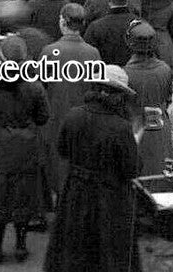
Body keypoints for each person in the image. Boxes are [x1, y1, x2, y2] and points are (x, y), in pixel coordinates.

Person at [43, 64, 139, 272]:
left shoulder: (73, 116)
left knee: (73, 248)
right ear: (119, 95)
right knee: (107, 252)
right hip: (110, 197)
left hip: (75, 192)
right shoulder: (121, 127)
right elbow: (131, 169)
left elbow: (62, 150)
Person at [0, 34, 50, 264]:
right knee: (23, 196)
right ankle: (20, 245)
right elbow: (43, 117)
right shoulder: (35, 87)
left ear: (1, 57)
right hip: (26, 146)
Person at [41, 3, 103, 198]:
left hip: (56, 113)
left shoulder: (50, 51)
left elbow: (41, 84)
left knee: (57, 160)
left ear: (62, 21)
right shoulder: (93, 53)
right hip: (84, 116)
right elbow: (97, 86)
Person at [122, 20, 173, 177]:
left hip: (136, 131)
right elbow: (168, 98)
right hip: (160, 132)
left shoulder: (125, 73)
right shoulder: (165, 69)